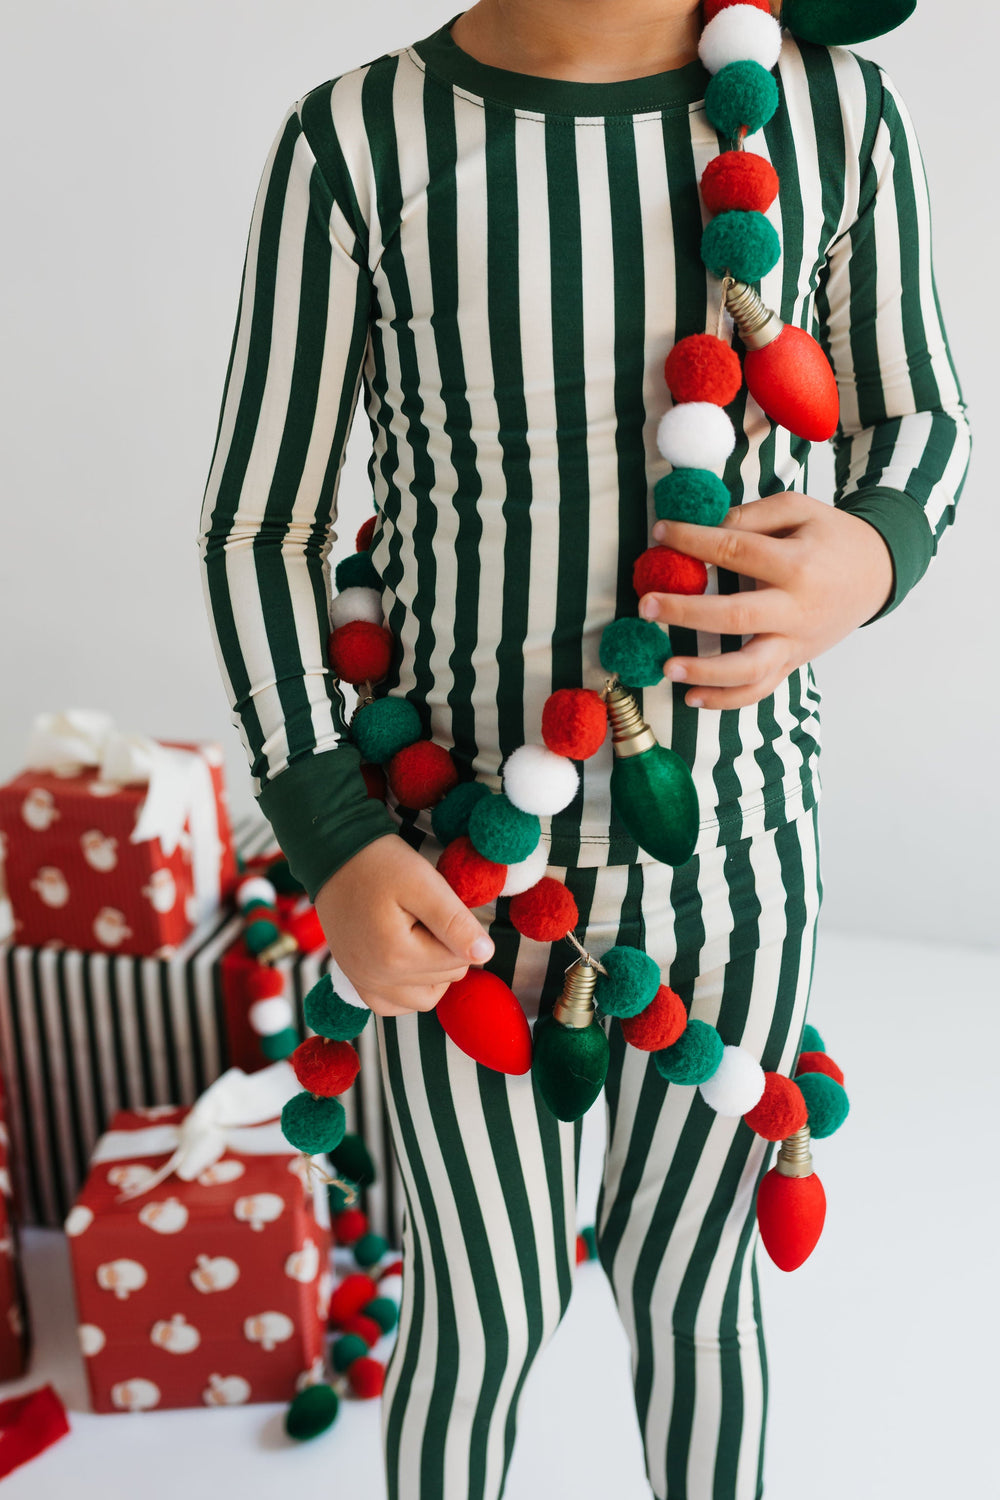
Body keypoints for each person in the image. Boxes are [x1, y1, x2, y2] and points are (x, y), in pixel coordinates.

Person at [197, 3, 970, 1496]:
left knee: (700, 1298)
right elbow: (265, 524)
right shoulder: (355, 143)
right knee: (480, 1315)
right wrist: (335, 832)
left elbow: (920, 418)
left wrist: (866, 559)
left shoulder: (833, 115)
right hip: (450, 874)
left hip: (738, 855)